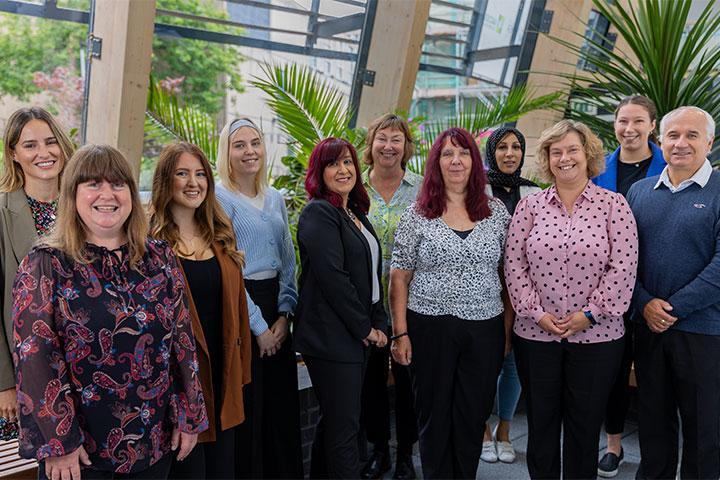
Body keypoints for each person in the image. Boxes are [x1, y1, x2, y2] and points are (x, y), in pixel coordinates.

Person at [12, 144, 207, 480]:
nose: (108, 194)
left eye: (118, 184)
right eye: (93, 184)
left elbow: (183, 342)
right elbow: (35, 358)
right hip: (79, 456)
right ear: (72, 195)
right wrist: (59, 442)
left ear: (131, 193)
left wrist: (189, 414)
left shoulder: (159, 257)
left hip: (153, 445)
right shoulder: (45, 263)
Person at [504, 120, 638, 479]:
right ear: (547, 159)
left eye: (572, 149)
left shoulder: (614, 205)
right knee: (542, 423)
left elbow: (624, 265)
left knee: (584, 425)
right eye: (555, 151)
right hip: (536, 335)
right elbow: (514, 263)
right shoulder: (530, 206)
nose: (564, 158)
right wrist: (536, 312)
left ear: (588, 154)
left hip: (597, 337)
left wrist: (590, 314)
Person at [390, 127, 510, 479]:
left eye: (463, 153)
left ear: (475, 161)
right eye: (446, 154)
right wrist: (400, 334)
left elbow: (509, 273)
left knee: (473, 415)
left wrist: (506, 332)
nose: (456, 160)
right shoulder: (418, 214)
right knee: (433, 414)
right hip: (429, 326)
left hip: (484, 327)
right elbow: (399, 276)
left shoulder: (497, 212)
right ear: (435, 163)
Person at [626, 106, 720, 480]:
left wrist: (671, 308)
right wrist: (644, 304)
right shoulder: (639, 192)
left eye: (692, 135)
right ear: (659, 140)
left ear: (709, 142)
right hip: (648, 329)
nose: (681, 143)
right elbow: (622, 261)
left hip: (704, 332)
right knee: (652, 423)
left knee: (705, 429)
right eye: (673, 135)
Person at [149, 142, 253, 479]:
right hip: (178, 385)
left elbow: (238, 308)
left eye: (200, 174)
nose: (193, 182)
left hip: (222, 375)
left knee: (223, 470)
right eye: (182, 173)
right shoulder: (148, 243)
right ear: (166, 180)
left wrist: (241, 373)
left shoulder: (220, 235)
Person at [295, 137, 388, 479]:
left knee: (335, 422)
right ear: (319, 172)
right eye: (333, 163)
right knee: (344, 431)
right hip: (332, 338)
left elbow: (371, 275)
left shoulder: (354, 213)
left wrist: (378, 321)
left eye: (348, 161)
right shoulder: (318, 212)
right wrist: (365, 328)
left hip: (353, 335)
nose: (343, 169)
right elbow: (334, 279)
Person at [215, 118, 302, 478]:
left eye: (255, 143)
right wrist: (259, 327)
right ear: (226, 152)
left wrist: (285, 313)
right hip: (242, 308)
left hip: (276, 308)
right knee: (249, 409)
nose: (249, 151)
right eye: (239, 145)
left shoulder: (276, 198)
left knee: (281, 407)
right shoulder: (220, 198)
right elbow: (228, 268)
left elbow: (287, 257)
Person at [593, 95, 665, 478]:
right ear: (615, 124)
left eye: (638, 121)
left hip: (653, 286)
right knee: (614, 370)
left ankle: (658, 453)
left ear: (652, 125)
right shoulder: (597, 168)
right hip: (606, 287)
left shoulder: (670, 165)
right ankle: (613, 445)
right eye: (623, 121)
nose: (629, 129)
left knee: (654, 372)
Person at [0, 107, 74, 424]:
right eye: (30, 145)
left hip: (89, 364)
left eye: (50, 141)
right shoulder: (2, 212)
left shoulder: (86, 204)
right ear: (14, 154)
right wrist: (4, 383)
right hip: (32, 367)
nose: (43, 153)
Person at [359, 114, 421, 480]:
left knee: (409, 381)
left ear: (406, 147)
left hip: (410, 305)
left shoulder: (421, 189)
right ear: (372, 144)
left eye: (396, 139)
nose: (388, 146)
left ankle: (406, 455)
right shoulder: (355, 189)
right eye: (382, 138)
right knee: (371, 385)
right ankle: (379, 450)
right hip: (366, 305)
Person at [479, 127, 541, 465]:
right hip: (486, 286)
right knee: (486, 361)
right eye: (502, 147)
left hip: (525, 290)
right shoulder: (477, 189)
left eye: (516, 146)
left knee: (514, 361)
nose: (509, 153)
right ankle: (482, 430)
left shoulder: (534, 191)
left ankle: (504, 429)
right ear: (492, 152)